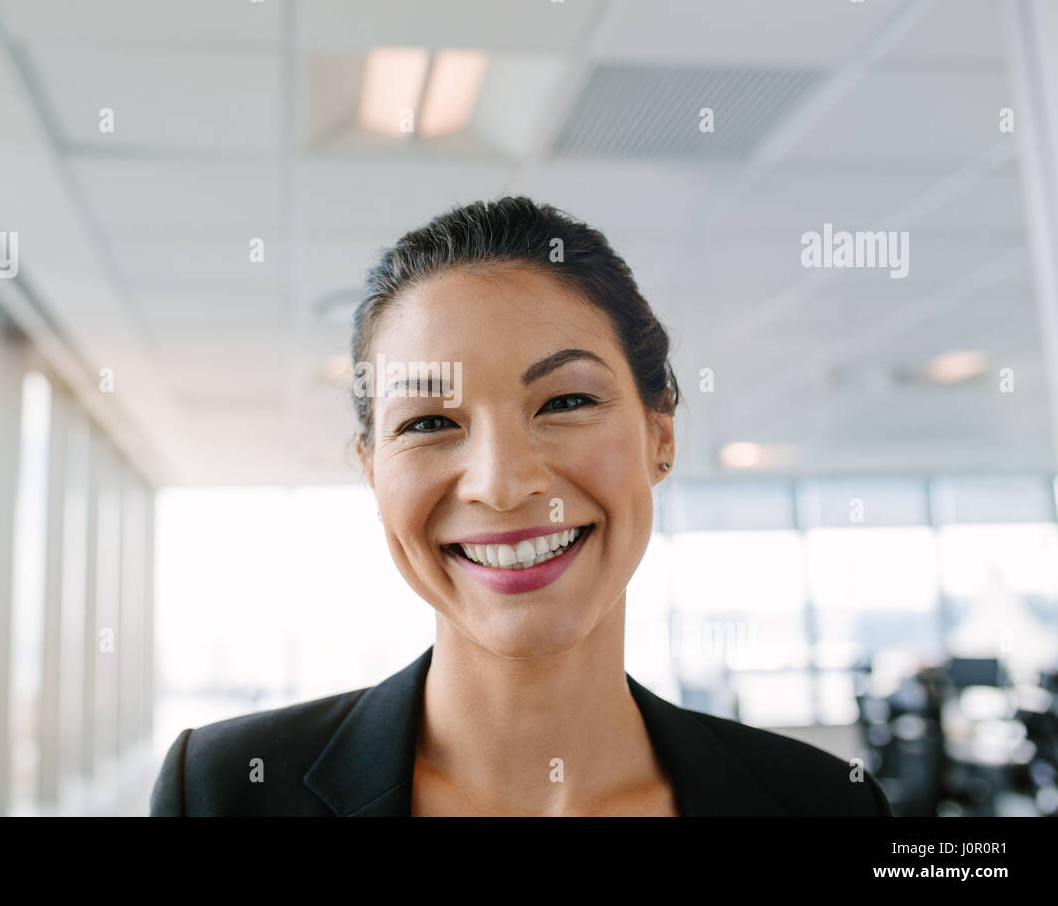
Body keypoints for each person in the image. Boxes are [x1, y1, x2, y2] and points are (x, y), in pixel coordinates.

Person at [151, 196, 893, 816]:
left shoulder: (823, 804)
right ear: (372, 471)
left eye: (566, 401)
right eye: (429, 422)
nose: (502, 485)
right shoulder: (223, 792)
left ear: (659, 436)